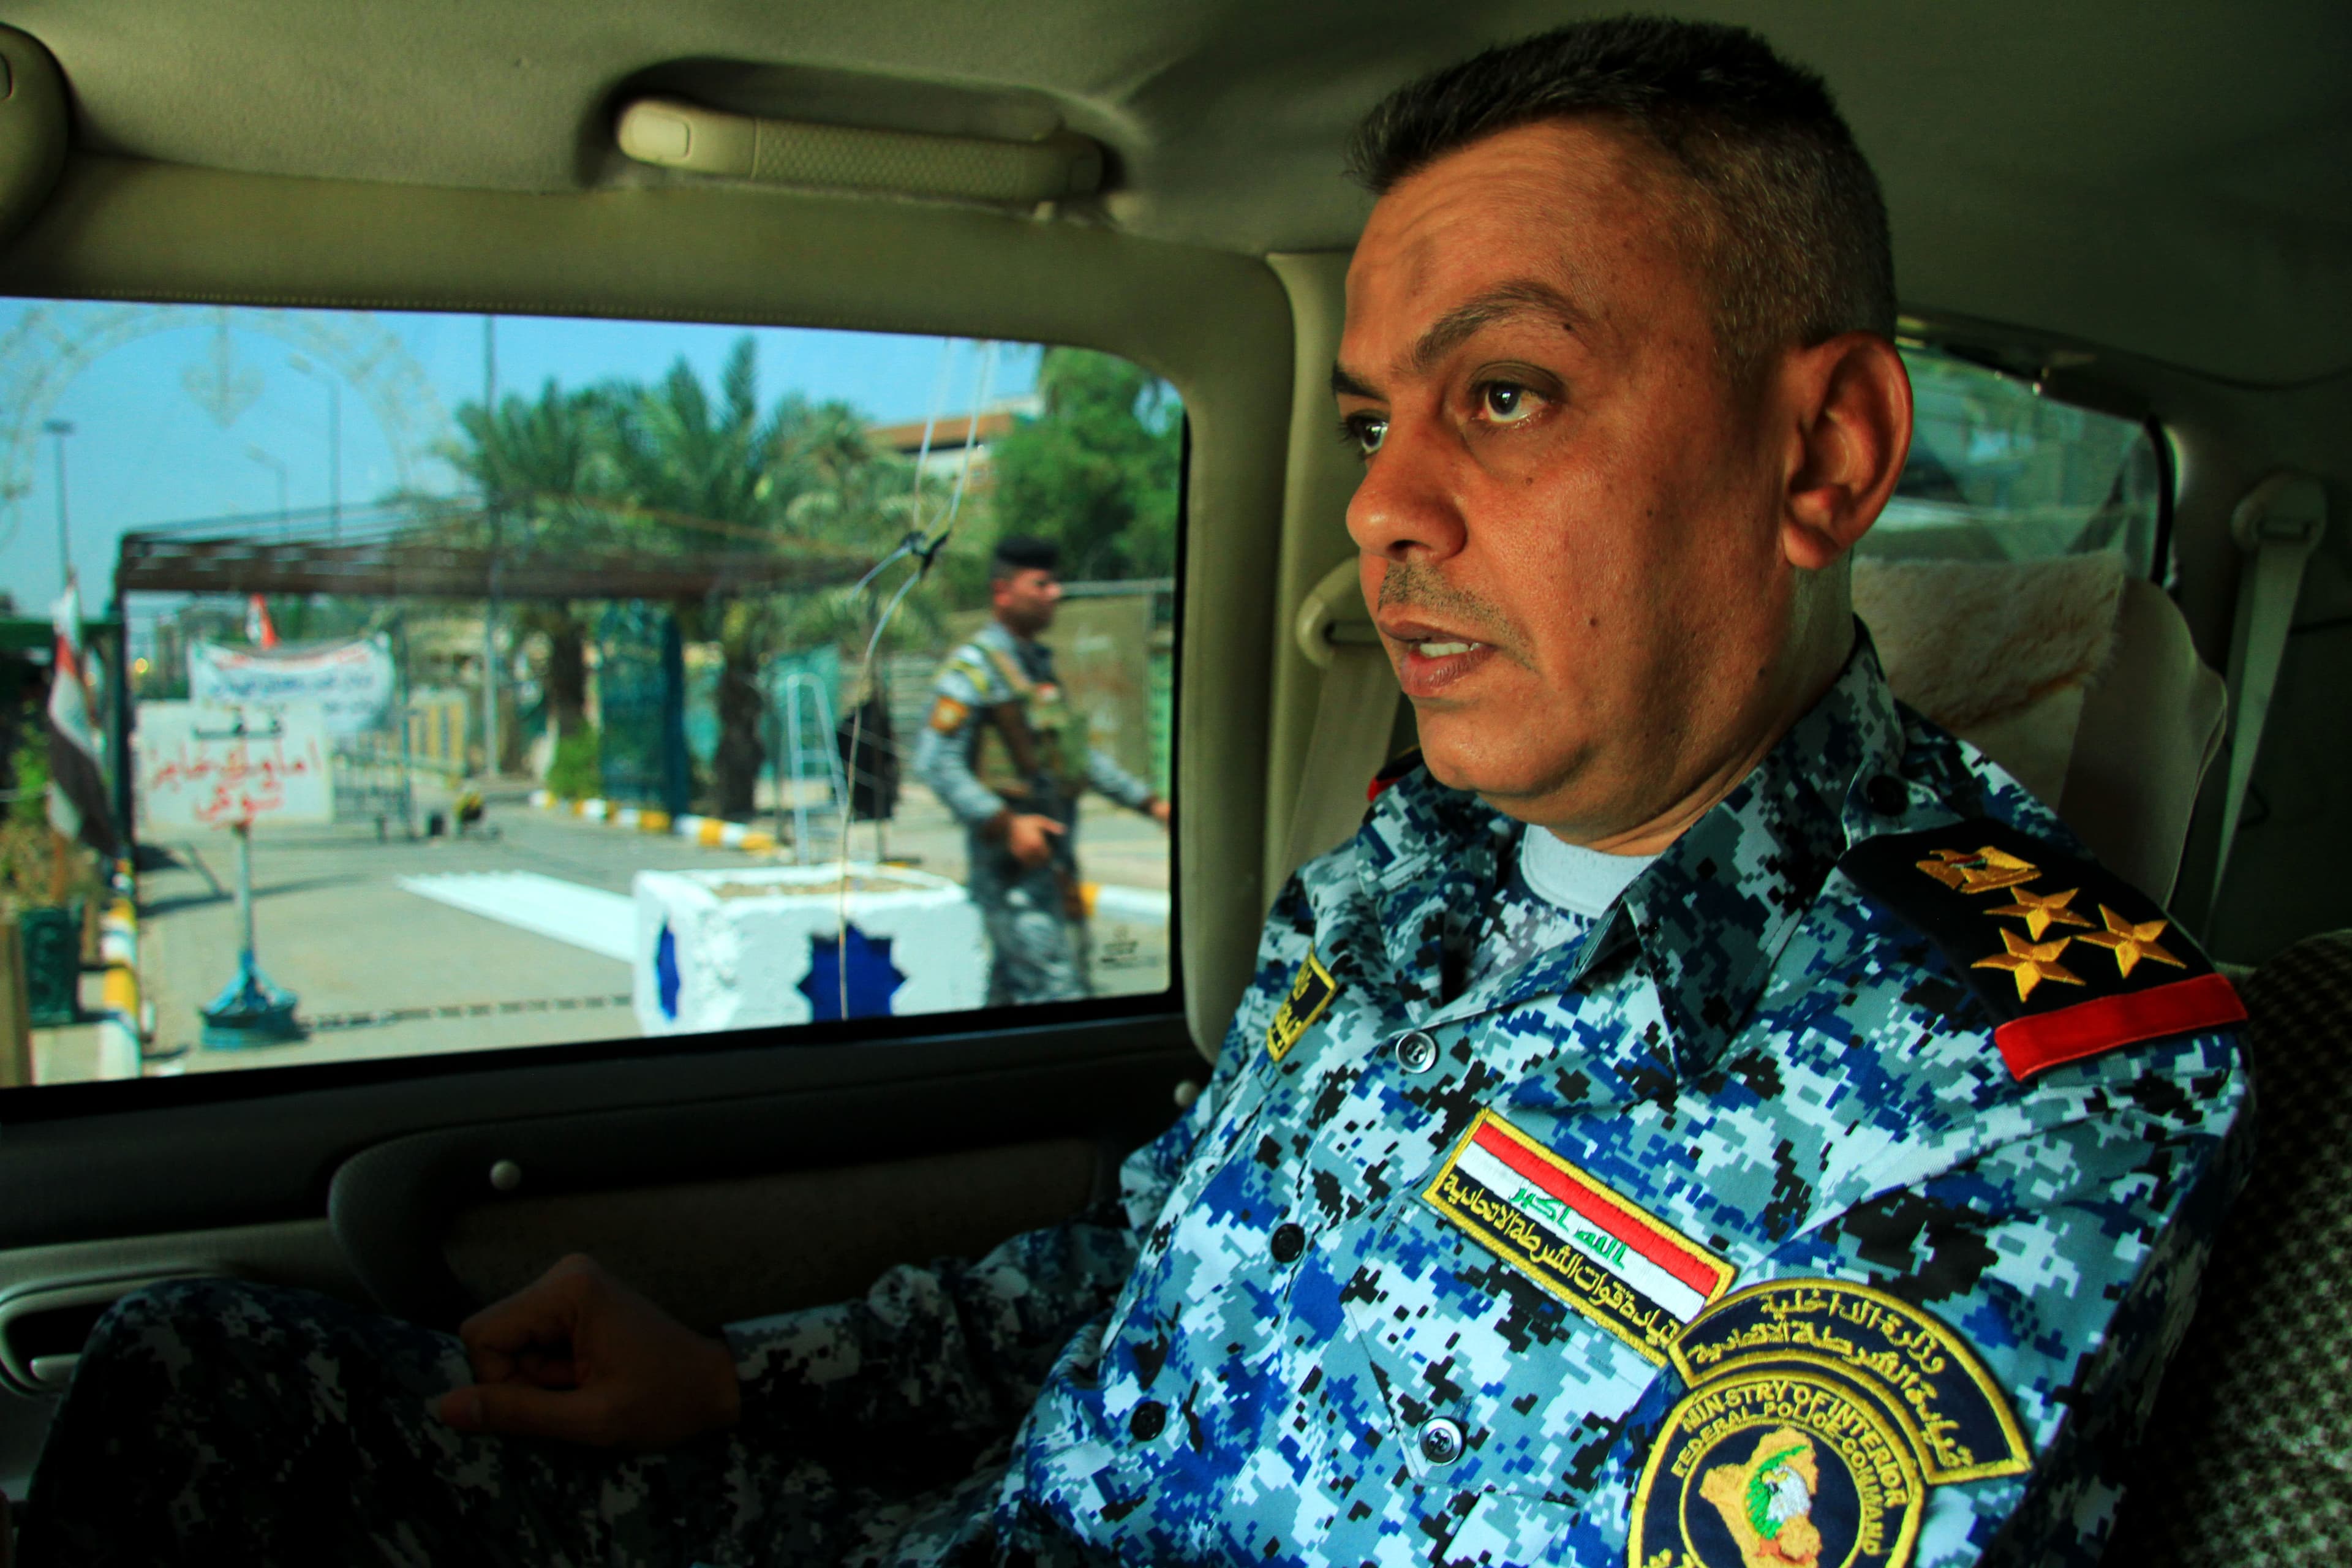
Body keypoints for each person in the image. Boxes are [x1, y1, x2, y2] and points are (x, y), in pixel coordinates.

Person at [17, 17, 2245, 1568]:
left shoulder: (2018, 1072)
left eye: (1505, 390)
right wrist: (749, 1377)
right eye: (1378, 417)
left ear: (1823, 454)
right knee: (195, 1368)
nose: (1387, 509)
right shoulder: (1419, 863)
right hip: (933, 1519)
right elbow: (1177, 1253)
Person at [911, 536, 1170, 1006]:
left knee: (1014, 996)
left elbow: (1076, 759)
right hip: (1011, 873)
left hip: (1051, 865)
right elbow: (936, 762)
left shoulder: (1033, 667)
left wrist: (1148, 802)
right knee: (1059, 992)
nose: (1056, 593)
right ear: (1003, 592)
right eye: (1042, 584)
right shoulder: (974, 669)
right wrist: (1006, 823)